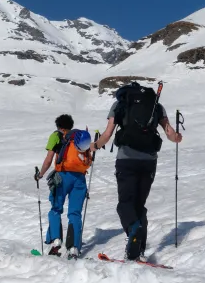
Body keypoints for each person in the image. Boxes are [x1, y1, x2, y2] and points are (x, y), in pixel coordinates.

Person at [95, 83, 183, 260]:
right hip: (149, 161)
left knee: (125, 204)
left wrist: (94, 146)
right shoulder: (156, 105)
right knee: (139, 205)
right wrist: (178, 137)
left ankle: (133, 230)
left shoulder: (120, 105)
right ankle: (139, 250)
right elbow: (171, 134)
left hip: (126, 160)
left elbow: (107, 135)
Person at [37, 114, 93, 257]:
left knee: (56, 208)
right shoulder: (78, 138)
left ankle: (56, 241)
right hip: (80, 178)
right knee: (75, 213)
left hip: (62, 177)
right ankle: (74, 248)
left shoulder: (57, 136)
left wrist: (40, 174)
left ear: (59, 126)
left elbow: (49, 158)